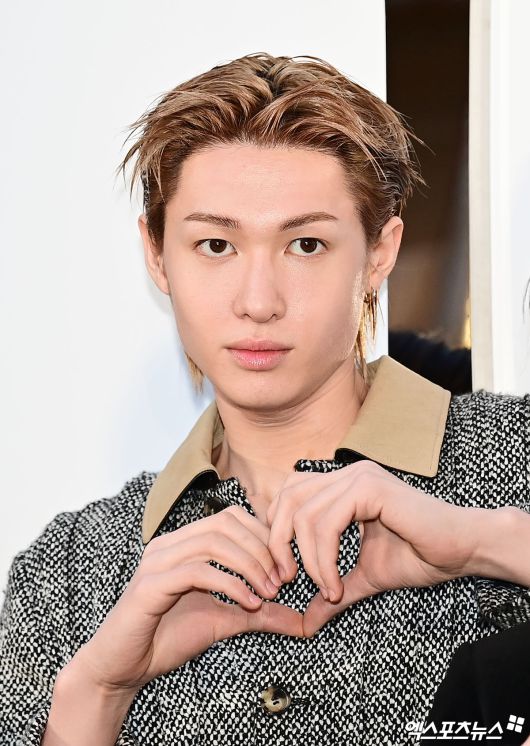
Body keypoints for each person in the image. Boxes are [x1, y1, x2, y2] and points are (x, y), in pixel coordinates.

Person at [1, 52, 529, 746]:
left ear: (379, 253)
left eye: (305, 245)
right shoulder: (67, 574)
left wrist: (487, 542)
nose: (257, 302)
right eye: (215, 245)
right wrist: (97, 691)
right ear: (157, 254)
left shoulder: (516, 455)